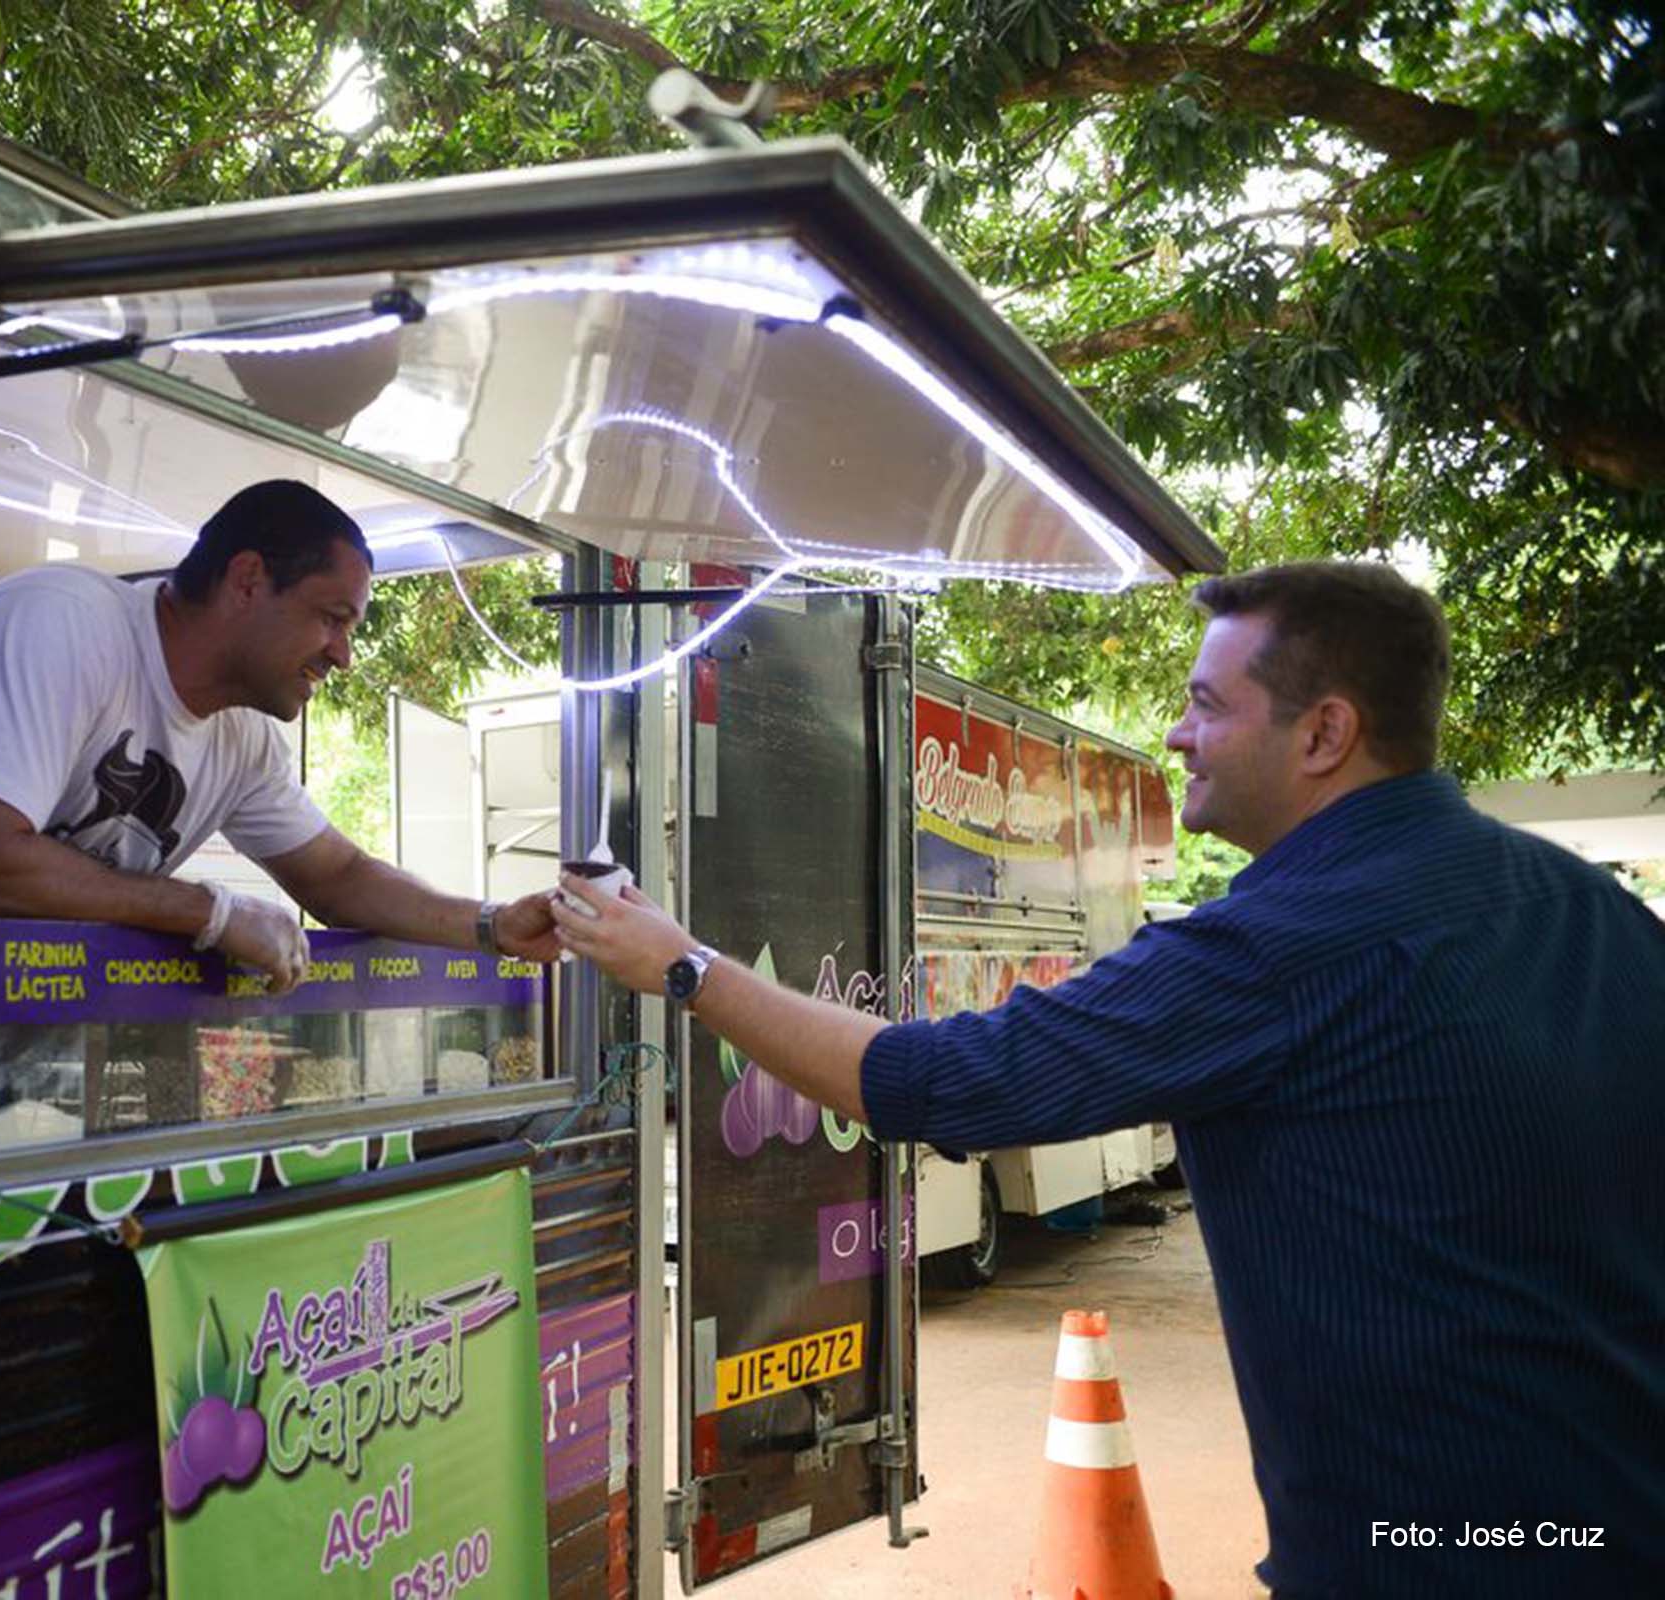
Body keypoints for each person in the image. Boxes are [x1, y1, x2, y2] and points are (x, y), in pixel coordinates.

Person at [554, 562, 1665, 1596]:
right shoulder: (1595, 912)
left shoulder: (1277, 947)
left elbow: (941, 1080)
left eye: (1208, 705)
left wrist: (686, 967)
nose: (1176, 735)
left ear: (1326, 733)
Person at [0, 479, 562, 989]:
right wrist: (211, 913)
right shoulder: (61, 624)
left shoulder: (244, 738)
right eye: (333, 618)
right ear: (247, 581)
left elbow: (338, 876)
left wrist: (494, 925)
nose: (343, 656)